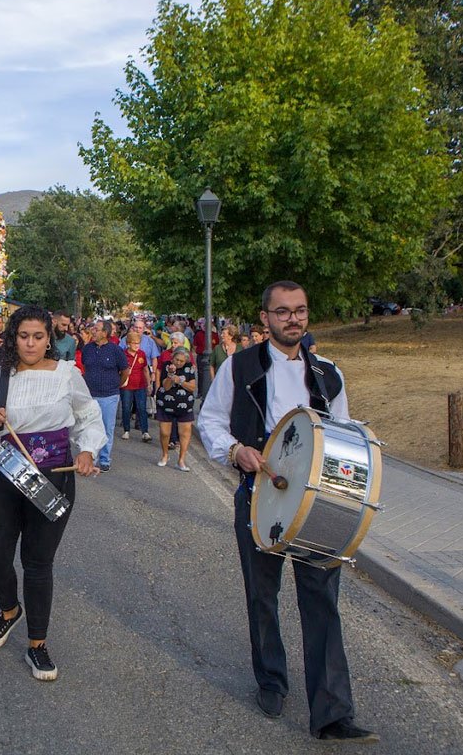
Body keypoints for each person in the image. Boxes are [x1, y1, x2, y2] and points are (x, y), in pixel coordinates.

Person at [196, 280, 376, 743]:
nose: (292, 318)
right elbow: (210, 420)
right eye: (282, 311)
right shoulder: (239, 367)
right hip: (259, 494)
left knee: (322, 600)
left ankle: (333, 712)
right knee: (262, 595)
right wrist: (235, 450)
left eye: (299, 310)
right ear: (265, 319)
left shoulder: (328, 373)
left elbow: (341, 432)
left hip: (319, 502)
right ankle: (271, 680)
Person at [0, 305, 104, 681]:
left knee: (38, 563)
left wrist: (87, 451)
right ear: (12, 336)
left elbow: (88, 416)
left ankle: (37, 644)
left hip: (53, 475)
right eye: (23, 336)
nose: (30, 343)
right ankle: (9, 611)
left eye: (38, 336)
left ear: (49, 338)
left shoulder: (67, 374)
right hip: (2, 471)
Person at [80, 320, 128, 472]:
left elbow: (124, 371)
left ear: (105, 333)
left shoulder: (115, 350)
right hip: (90, 395)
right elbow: (86, 366)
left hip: (109, 396)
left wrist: (116, 385)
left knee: (107, 428)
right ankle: (89, 457)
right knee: (88, 427)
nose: (92, 331)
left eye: (96, 329)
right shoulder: (87, 349)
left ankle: (105, 459)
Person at [155, 347, 197, 469]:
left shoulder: (189, 368)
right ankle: (165, 455)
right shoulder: (166, 366)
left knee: (184, 433)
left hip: (185, 405)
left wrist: (180, 382)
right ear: (172, 358)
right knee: (164, 432)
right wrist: (171, 375)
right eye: (176, 360)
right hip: (166, 404)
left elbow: (192, 387)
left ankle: (181, 460)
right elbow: (166, 387)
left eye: (181, 361)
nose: (178, 363)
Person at [120, 330, 152, 442]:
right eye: (134, 343)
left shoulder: (141, 354)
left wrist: (149, 385)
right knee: (126, 408)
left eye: (138, 343)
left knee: (142, 408)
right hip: (127, 386)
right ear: (128, 343)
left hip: (140, 385)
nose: (136, 346)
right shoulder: (123, 354)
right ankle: (126, 430)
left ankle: (145, 432)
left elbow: (145, 370)